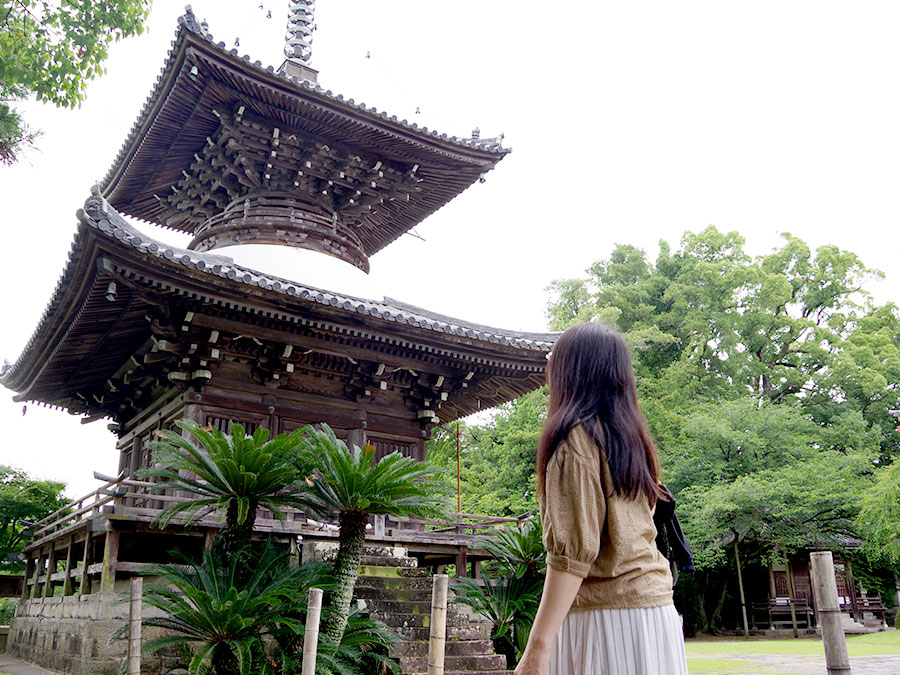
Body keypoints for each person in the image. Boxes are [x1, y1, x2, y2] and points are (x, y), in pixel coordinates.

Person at [515, 322, 688, 675]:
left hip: (605, 619)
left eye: (554, 356)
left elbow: (573, 556)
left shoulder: (574, 442)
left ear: (572, 369)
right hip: (655, 614)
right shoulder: (633, 441)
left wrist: (537, 648)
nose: (548, 364)